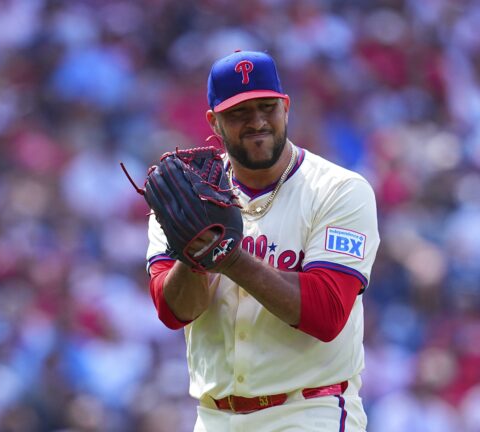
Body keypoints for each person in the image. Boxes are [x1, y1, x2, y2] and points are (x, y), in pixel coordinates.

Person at [145, 50, 380, 431]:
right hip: (214, 416)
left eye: (267, 107)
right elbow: (175, 312)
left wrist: (228, 258)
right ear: (214, 122)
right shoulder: (184, 195)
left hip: (307, 411)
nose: (257, 122)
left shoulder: (338, 191)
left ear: (286, 108)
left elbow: (326, 314)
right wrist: (192, 256)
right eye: (239, 113)